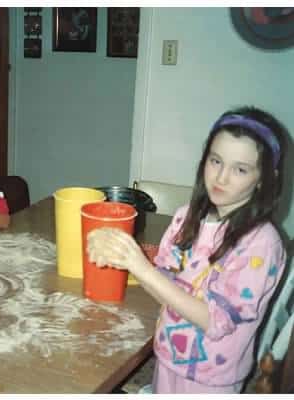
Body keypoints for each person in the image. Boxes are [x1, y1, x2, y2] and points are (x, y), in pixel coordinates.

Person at [87, 106, 288, 393]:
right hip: (168, 357)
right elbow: (167, 286)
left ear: (264, 179)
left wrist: (141, 267)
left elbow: (215, 321)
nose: (221, 177)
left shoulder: (261, 244)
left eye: (240, 169)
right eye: (215, 161)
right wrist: (123, 257)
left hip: (213, 378)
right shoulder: (186, 217)